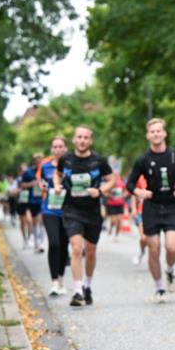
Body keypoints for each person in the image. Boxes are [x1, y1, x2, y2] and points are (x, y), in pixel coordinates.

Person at [125, 118, 175, 302]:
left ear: (164, 133)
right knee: (153, 249)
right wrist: (139, 192)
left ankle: (169, 270)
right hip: (152, 207)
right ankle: (159, 287)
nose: (155, 134)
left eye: (158, 131)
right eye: (152, 132)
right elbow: (130, 183)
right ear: (148, 135)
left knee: (172, 247)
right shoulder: (143, 159)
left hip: (172, 206)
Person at [53, 124, 114, 307]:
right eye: (79, 137)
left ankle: (87, 285)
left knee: (91, 250)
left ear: (90, 141)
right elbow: (57, 174)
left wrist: (100, 191)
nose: (82, 140)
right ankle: (78, 291)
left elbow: (112, 180)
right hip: (72, 210)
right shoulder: (66, 160)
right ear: (74, 140)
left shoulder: (99, 161)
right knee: (76, 248)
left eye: (86, 137)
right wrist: (57, 186)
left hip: (92, 211)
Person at [38, 136, 70, 296]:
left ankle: (61, 278)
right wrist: (42, 186)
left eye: (60, 146)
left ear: (65, 149)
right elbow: (40, 182)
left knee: (64, 245)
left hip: (67, 211)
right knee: (54, 243)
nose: (57, 150)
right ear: (51, 149)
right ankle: (54, 282)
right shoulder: (45, 166)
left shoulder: (71, 165)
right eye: (55, 147)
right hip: (50, 209)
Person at [20, 155, 45, 252]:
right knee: (34, 222)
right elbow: (22, 185)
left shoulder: (45, 170)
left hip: (42, 200)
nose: (39, 163)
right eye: (37, 161)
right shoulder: (28, 172)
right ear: (34, 162)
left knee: (41, 221)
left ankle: (40, 243)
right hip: (31, 201)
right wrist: (32, 183)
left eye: (41, 161)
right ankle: (35, 242)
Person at [104, 169, 127, 240]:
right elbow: (105, 192)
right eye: (114, 175)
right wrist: (110, 195)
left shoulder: (121, 183)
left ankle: (116, 235)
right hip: (112, 204)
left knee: (119, 221)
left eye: (116, 175)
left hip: (120, 204)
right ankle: (111, 227)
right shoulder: (109, 183)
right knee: (114, 220)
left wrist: (123, 195)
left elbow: (126, 191)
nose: (115, 176)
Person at [131, 173, 148, 265]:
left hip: (155, 212)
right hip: (142, 211)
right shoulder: (140, 177)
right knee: (143, 238)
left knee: (152, 240)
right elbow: (134, 193)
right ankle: (142, 252)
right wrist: (134, 208)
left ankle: (153, 260)